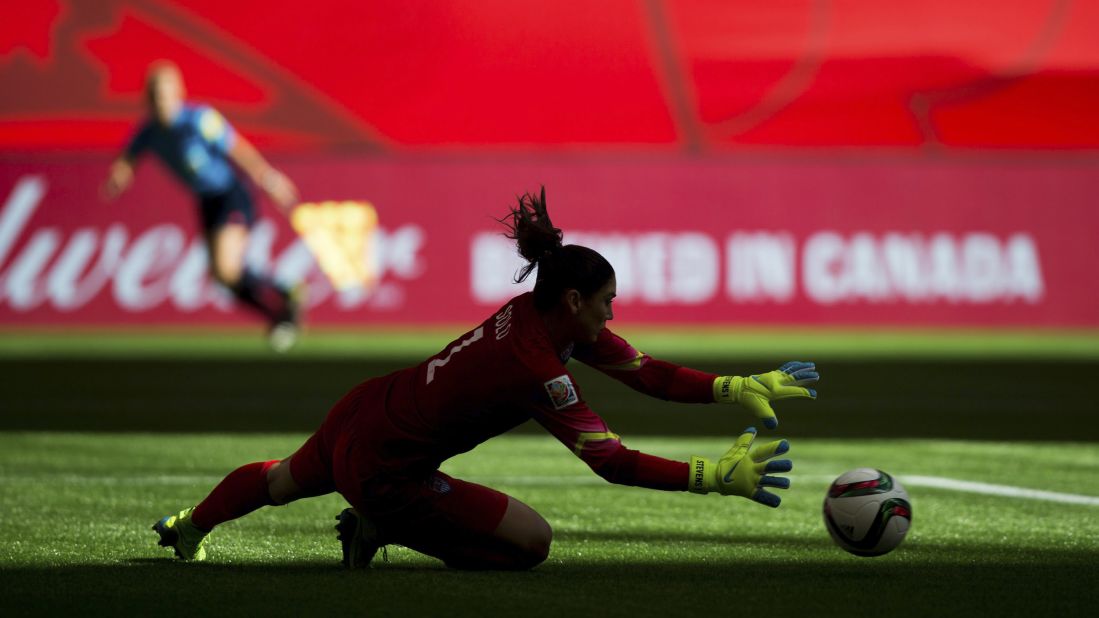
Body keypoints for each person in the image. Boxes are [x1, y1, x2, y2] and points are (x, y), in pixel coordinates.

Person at [152, 188, 820, 569]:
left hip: (365, 409)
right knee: (531, 544)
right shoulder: (535, 368)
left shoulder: (537, 316)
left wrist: (732, 387)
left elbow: (645, 373)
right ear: (574, 303)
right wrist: (715, 478)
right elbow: (611, 463)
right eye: (606, 301)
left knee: (277, 482)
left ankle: (189, 525)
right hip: (386, 468)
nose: (612, 313)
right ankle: (378, 526)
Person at [103, 61, 303, 351]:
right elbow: (128, 156)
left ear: (179, 93)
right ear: (148, 98)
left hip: (230, 195)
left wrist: (268, 178)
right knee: (223, 277)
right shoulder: (148, 131)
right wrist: (119, 174)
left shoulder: (199, 120)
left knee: (226, 266)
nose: (162, 102)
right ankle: (280, 311)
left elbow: (236, 147)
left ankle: (286, 293)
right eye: (156, 95)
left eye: (167, 94)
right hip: (207, 201)